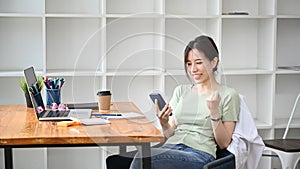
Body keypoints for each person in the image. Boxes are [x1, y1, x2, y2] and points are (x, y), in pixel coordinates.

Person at [129, 35, 240, 169]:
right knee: (119, 161)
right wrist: (164, 123)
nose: (193, 69)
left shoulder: (228, 94)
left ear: (213, 62)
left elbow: (224, 143)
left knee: (142, 158)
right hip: (171, 147)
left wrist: (214, 112)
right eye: (189, 63)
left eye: (198, 62)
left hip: (199, 154)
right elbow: (170, 133)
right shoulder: (181, 91)